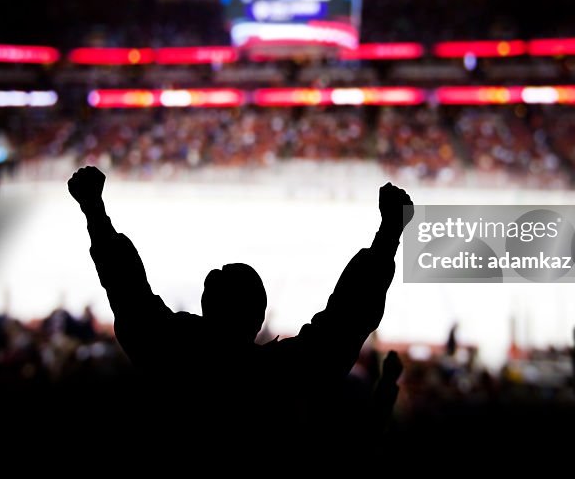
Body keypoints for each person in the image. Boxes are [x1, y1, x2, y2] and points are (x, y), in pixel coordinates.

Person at [67, 165, 414, 445]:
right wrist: (388, 236)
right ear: (259, 318)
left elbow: (128, 293)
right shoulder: (277, 377)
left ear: (205, 306)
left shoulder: (167, 355)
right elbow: (342, 326)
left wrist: (94, 212)